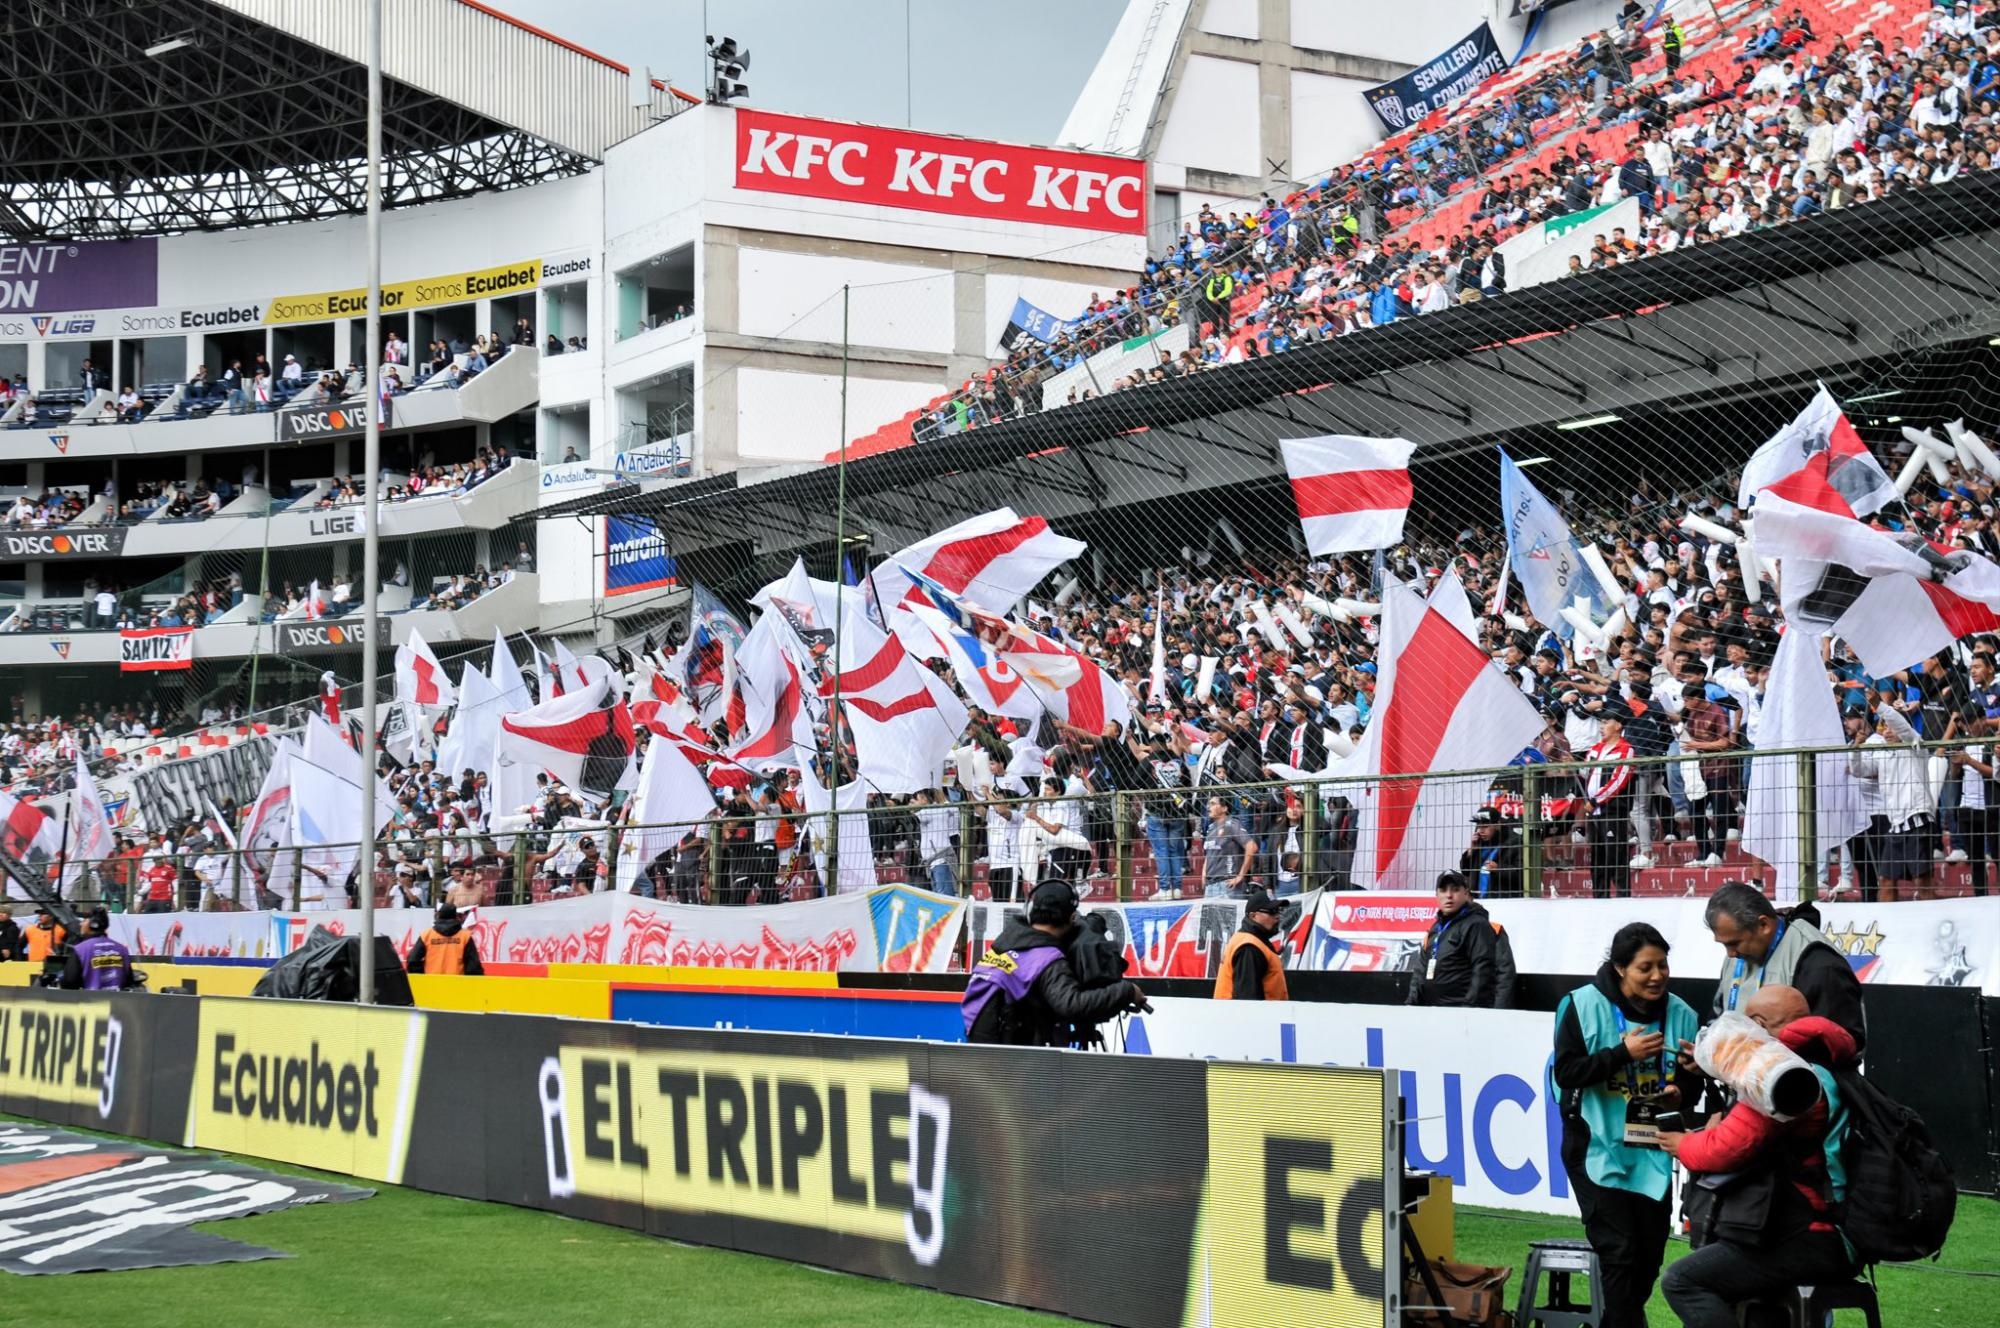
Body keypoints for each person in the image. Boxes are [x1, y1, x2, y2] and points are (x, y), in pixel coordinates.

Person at [1659, 985, 1858, 1327]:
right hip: (1831, 1226)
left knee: (1682, 1280)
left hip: (1806, 1232)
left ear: (1758, 1024)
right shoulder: (1825, 1061)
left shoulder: (1780, 1076)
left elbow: (1727, 1148)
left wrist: (1683, 1144)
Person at [1552, 921, 1701, 1328]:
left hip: (1652, 1150)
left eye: (1663, 966)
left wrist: (1681, 1090)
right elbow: (1566, 1072)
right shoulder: (1580, 1005)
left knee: (1649, 1257)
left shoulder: (1684, 1014)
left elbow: (1692, 1083)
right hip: (1596, 1146)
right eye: (1645, 968)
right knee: (1619, 1252)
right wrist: (1622, 1053)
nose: (1657, 976)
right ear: (1620, 968)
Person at [961, 879, 1149, 1045]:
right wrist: (1127, 991)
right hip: (1013, 1060)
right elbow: (1071, 1005)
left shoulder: (1006, 943)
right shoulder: (1046, 958)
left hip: (983, 1048)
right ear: (1071, 918)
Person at [1705, 882, 1866, 1051]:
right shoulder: (1737, 953)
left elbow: (1843, 1046)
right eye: (1724, 945)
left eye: (1734, 943)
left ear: (1764, 925)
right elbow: (1718, 1016)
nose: (1730, 954)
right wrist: (1707, 1055)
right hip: (1743, 1073)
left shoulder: (1819, 965)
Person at [1407, 871, 1504, 1007]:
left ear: (1466, 893)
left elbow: (1482, 971)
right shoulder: (1435, 928)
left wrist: (1468, 1010)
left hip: (1460, 1013)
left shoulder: (1476, 924)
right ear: (1436, 895)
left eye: (1455, 890)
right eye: (1443, 890)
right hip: (1430, 1012)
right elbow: (1420, 972)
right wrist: (1411, 1004)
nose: (1449, 895)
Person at [1215, 889, 1288, 1000]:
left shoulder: (1251, 940)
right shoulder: (1249, 948)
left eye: (1278, 910)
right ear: (1253, 916)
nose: (1277, 916)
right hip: (1252, 1016)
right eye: (1272, 911)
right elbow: (1247, 1000)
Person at [60, 908, 134, 990]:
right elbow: (129, 980)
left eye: (84, 921)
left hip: (91, 1001)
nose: (81, 924)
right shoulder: (122, 949)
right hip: (117, 1001)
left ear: (93, 924)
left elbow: (70, 982)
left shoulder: (80, 949)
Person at [406, 902, 483, 975]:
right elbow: (474, 966)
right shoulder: (465, 936)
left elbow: (413, 960)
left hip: (431, 983)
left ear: (438, 916)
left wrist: (422, 975)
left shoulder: (427, 935)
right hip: (457, 984)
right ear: (456, 916)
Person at [1461, 806, 1523, 898]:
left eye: (1485, 826)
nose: (1481, 831)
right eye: (1479, 826)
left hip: (1504, 902)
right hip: (1478, 901)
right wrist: (1471, 850)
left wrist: (1498, 868)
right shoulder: (1479, 843)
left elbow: (1522, 874)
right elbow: (1465, 871)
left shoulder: (1515, 842)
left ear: (1498, 825)